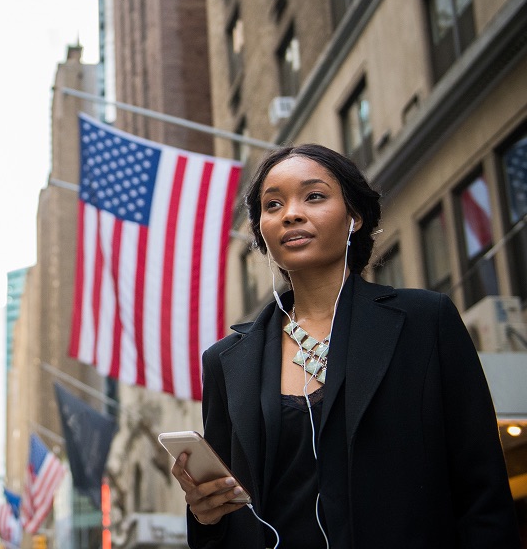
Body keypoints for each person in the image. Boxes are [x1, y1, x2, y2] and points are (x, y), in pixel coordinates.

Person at [171, 144, 521, 548]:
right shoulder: (226, 361)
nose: (291, 214)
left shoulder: (426, 322)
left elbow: (483, 491)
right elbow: (224, 518)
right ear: (263, 232)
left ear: (354, 217)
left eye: (314, 196)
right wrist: (205, 513)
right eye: (273, 204)